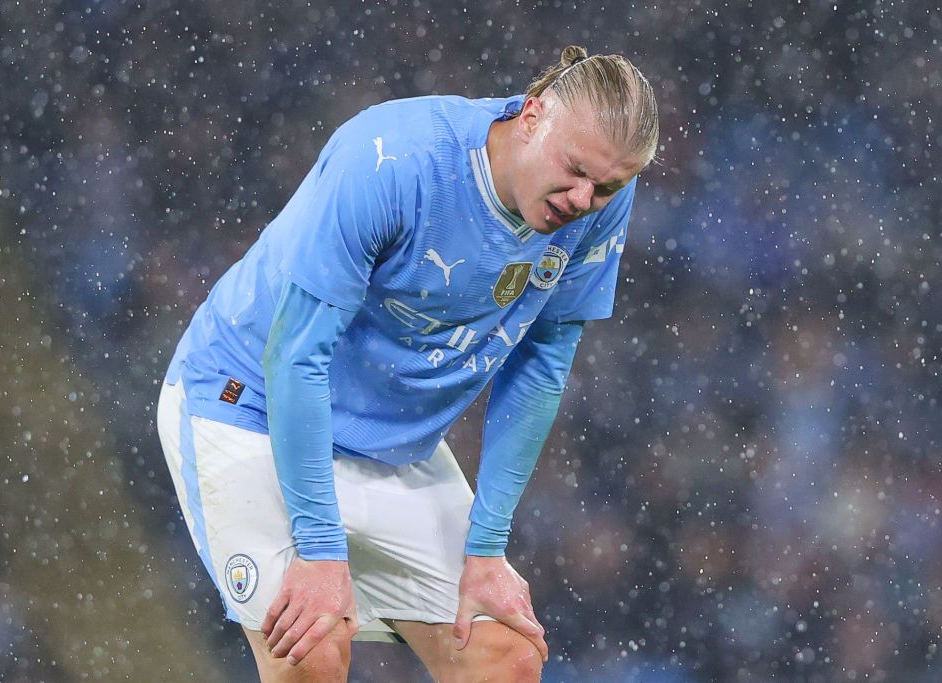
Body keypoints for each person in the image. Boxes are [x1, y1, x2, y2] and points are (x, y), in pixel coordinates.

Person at [156, 44, 658, 682]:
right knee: (310, 646)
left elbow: (541, 363)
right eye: (576, 170)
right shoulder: (392, 162)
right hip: (248, 402)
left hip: (392, 441)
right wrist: (319, 550)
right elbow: (296, 355)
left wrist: (487, 550)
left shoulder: (600, 195)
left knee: (506, 657)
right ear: (533, 114)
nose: (585, 199)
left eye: (608, 185)